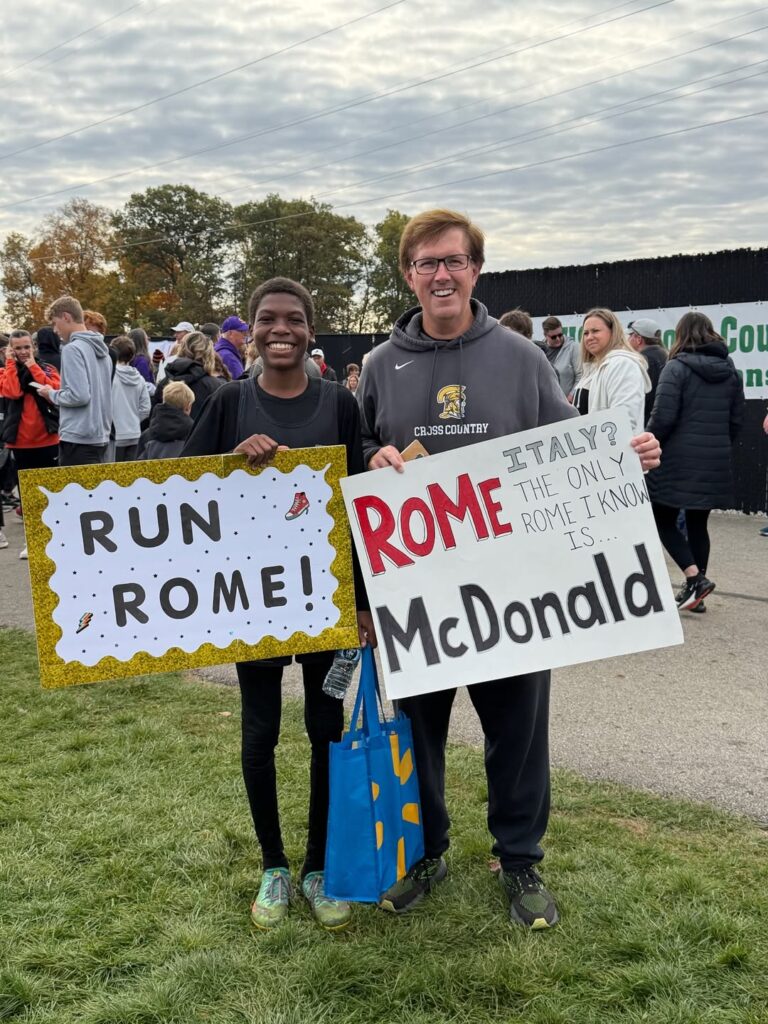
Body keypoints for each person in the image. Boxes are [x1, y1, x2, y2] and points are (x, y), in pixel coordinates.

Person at [356, 208, 660, 929]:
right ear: (408, 275)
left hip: (512, 587)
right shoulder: (378, 366)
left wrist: (624, 453)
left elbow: (571, 449)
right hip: (417, 591)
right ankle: (427, 851)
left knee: (518, 732)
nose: (441, 275)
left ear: (476, 270)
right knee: (418, 733)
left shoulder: (520, 358)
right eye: (426, 263)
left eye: (454, 261)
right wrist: (371, 456)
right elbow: (357, 447)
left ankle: (519, 860)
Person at [182, 277, 375, 932]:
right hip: (252, 603)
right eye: (268, 319)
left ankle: (319, 867)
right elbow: (172, 480)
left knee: (325, 730)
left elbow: (359, 508)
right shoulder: (230, 401)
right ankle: (273, 866)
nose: (280, 329)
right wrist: (229, 459)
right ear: (251, 330)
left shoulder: (339, 405)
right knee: (260, 731)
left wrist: (364, 605)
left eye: (293, 318)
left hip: (324, 600)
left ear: (310, 330)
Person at [646, 312, 744, 611]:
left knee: (661, 519)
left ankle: (694, 579)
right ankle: (696, 592)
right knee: (698, 523)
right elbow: (737, 420)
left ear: (680, 335)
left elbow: (663, 416)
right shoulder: (731, 372)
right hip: (714, 457)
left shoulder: (676, 368)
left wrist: (648, 442)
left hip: (676, 458)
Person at [0, 330, 60, 559]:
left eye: (26, 347)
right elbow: (12, 392)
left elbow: (50, 390)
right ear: (11, 350)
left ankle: (56, 539)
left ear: (33, 347)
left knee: (51, 493)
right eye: (18, 348)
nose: (23, 352)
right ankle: (33, 541)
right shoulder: (6, 371)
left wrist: (33, 365)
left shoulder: (48, 368)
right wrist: (10, 363)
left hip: (48, 439)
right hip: (21, 444)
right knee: (29, 497)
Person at [37, 296, 112, 467]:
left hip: (78, 437)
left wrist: (51, 394)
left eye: (55, 323)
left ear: (66, 317)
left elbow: (79, 396)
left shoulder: (72, 349)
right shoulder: (103, 351)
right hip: (101, 436)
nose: (55, 330)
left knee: (75, 492)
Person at [572, 308, 651, 434]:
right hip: (592, 451)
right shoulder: (592, 368)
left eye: (595, 331)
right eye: (586, 333)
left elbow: (625, 420)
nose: (589, 337)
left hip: (611, 451)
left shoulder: (623, 364)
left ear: (613, 332)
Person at [151, 331, 224, 423]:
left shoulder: (165, 383)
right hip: (200, 436)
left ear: (182, 350)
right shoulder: (216, 387)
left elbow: (154, 419)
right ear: (210, 354)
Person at [110, 336, 151, 461]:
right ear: (132, 356)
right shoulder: (140, 379)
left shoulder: (109, 376)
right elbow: (146, 408)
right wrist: (132, 420)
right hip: (134, 433)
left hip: (113, 434)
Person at [138, 381, 195, 459]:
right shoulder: (194, 435)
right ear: (188, 407)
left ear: (164, 401)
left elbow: (137, 467)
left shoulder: (146, 436)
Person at [627, 318, 668, 425]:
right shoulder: (667, 357)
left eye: (631, 335)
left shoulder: (641, 362)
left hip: (646, 426)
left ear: (639, 339)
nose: (628, 339)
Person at [541, 315, 581, 399]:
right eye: (553, 337)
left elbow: (580, 375)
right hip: (546, 402)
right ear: (545, 335)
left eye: (560, 334)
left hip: (566, 403)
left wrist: (571, 396)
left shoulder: (573, 347)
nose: (558, 339)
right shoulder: (540, 350)